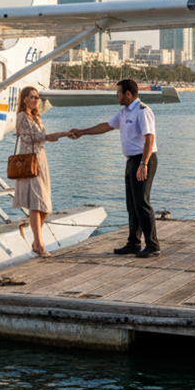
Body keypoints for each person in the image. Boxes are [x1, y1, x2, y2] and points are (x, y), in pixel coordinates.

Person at [68, 78, 161, 258]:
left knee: (142, 202)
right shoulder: (124, 112)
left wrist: (144, 163)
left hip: (143, 160)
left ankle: (153, 245)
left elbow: (150, 138)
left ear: (128, 93)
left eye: (118, 92)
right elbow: (106, 126)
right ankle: (134, 243)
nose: (116, 96)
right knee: (132, 204)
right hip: (131, 161)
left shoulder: (143, 111)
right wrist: (82, 131)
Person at [13, 86, 67, 257]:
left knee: (44, 204)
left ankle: (36, 241)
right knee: (37, 202)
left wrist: (57, 135)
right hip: (29, 162)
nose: (36, 100)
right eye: (33, 97)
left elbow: (41, 138)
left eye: (37, 97)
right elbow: (33, 138)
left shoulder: (37, 117)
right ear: (24, 99)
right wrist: (61, 134)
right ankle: (39, 244)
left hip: (41, 161)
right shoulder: (21, 117)